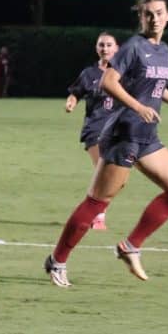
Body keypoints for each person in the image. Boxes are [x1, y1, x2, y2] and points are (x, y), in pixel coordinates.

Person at [44, 0, 168, 288]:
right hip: (124, 134)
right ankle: (57, 261)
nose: (154, 19)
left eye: (158, 13)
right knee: (96, 203)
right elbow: (108, 82)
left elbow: (154, 85)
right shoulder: (132, 47)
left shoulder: (163, 50)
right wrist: (138, 107)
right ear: (140, 17)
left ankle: (130, 246)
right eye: (147, 14)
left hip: (147, 136)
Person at [63, 32, 119, 230]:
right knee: (102, 170)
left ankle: (91, 210)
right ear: (97, 48)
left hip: (117, 130)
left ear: (116, 48)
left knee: (116, 179)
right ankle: (97, 216)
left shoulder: (123, 73)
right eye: (101, 45)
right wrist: (71, 103)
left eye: (108, 45)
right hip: (95, 129)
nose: (105, 48)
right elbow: (75, 93)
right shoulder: (89, 73)